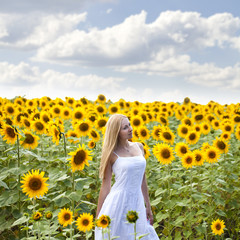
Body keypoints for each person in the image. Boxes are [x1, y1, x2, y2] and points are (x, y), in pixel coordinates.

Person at [95, 114, 159, 239]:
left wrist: (148, 206)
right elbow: (106, 186)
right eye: (125, 127)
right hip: (118, 203)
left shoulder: (139, 146)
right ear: (116, 132)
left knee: (140, 234)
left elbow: (142, 179)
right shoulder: (111, 154)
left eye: (129, 125)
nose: (130, 128)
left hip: (137, 201)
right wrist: (98, 217)